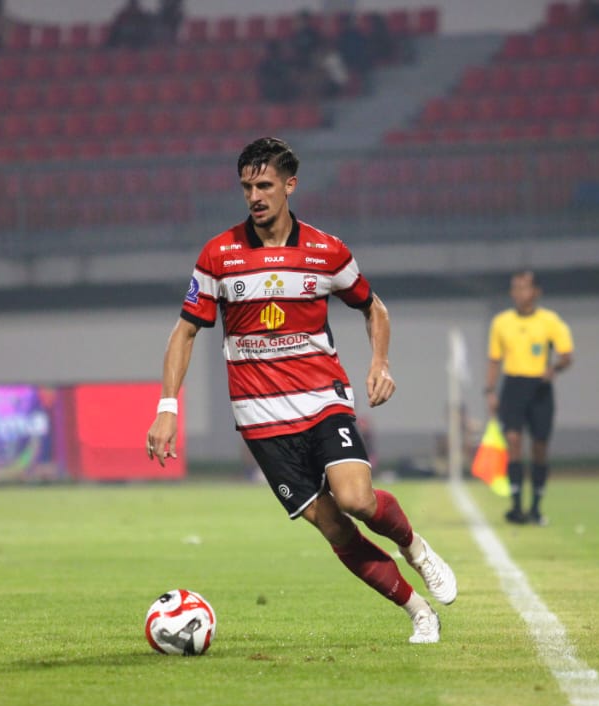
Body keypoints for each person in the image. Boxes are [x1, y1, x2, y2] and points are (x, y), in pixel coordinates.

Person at [145, 137, 457, 644]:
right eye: (247, 186)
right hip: (261, 424)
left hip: (322, 401)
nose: (255, 196)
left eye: (265, 185)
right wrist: (166, 408)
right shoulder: (218, 255)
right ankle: (420, 611)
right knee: (334, 528)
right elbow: (184, 332)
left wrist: (380, 361)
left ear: (290, 185)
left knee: (357, 499)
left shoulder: (326, 251)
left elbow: (373, 307)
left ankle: (416, 548)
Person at [484, 271, 573, 525]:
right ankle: (516, 507)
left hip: (540, 387)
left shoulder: (550, 321)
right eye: (515, 288)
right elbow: (494, 360)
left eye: (524, 288)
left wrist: (554, 368)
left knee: (539, 447)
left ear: (536, 292)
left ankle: (535, 507)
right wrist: (490, 390)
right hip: (513, 386)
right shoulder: (501, 322)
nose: (518, 293)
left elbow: (566, 355)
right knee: (513, 440)